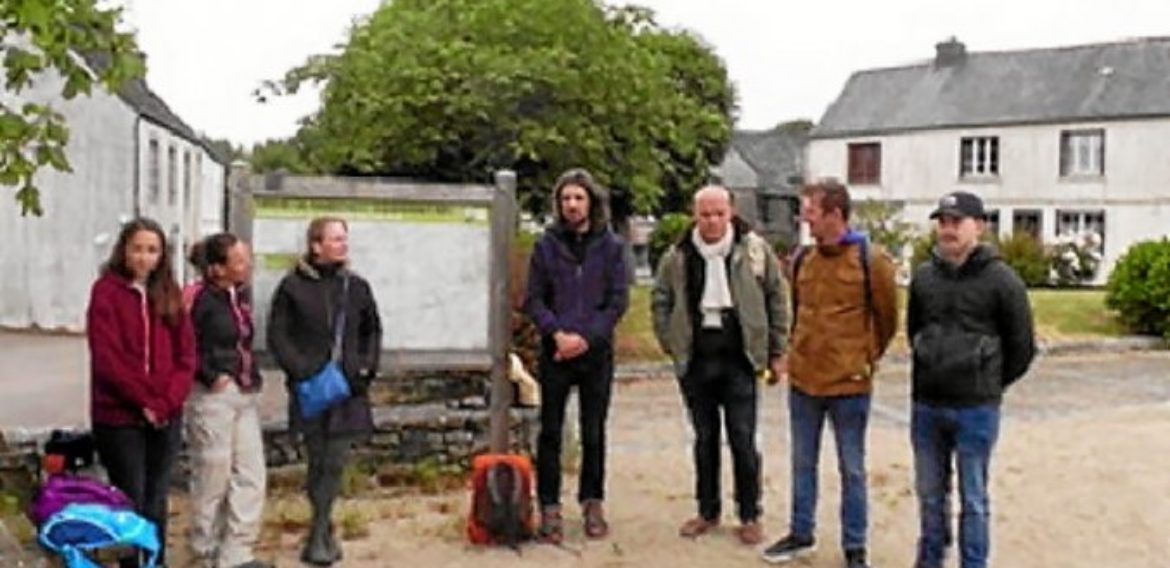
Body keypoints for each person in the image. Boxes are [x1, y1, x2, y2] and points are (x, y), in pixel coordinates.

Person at [762, 180, 898, 568]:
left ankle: (855, 546)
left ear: (835, 214)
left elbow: (887, 319)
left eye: (812, 212)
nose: (805, 219)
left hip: (849, 384)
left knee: (851, 467)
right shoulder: (803, 259)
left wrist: (865, 357)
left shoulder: (872, 260)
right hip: (805, 382)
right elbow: (798, 310)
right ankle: (800, 533)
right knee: (802, 462)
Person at [651, 185, 786, 546]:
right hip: (697, 359)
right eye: (704, 214)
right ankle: (707, 510)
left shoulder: (755, 251)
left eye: (718, 214)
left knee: (743, 438)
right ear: (695, 215)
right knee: (704, 438)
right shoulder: (678, 255)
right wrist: (671, 341)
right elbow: (660, 299)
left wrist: (776, 351)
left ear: (731, 213)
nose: (711, 221)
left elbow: (777, 298)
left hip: (739, 358)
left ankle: (750, 513)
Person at [906, 191, 1035, 568]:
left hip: (976, 410)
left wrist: (988, 381)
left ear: (978, 226)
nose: (948, 230)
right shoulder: (924, 278)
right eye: (942, 222)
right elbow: (914, 329)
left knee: (974, 498)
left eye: (956, 222)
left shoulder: (1003, 281)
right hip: (927, 405)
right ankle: (930, 559)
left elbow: (1021, 347)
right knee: (930, 495)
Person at [268, 217, 382, 566]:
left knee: (334, 462)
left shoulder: (357, 287)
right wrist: (303, 371)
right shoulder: (291, 287)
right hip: (311, 390)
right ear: (316, 245)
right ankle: (322, 530)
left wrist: (364, 370)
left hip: (348, 389)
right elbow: (279, 336)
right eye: (335, 239)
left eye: (344, 239)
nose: (342, 245)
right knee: (316, 462)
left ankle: (318, 534)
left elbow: (372, 330)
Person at [524, 168, 629, 543]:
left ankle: (592, 501)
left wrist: (588, 336)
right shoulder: (546, 245)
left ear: (591, 202)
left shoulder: (611, 246)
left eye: (578, 198)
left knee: (594, 431)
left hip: (595, 353)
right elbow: (533, 299)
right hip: (556, 352)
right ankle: (549, 507)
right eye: (566, 199)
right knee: (550, 431)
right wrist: (557, 333)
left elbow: (618, 300)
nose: (571, 205)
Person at [86, 217, 195, 567]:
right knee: (130, 495)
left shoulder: (169, 293)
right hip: (120, 415)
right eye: (138, 249)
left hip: (165, 413)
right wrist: (144, 401)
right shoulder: (106, 292)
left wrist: (166, 402)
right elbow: (108, 358)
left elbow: (186, 355)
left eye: (152, 250)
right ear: (124, 250)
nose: (144, 258)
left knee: (157, 496)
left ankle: (156, 560)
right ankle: (132, 562)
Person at [185, 234, 271, 568]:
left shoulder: (238, 296)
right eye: (239, 261)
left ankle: (237, 551)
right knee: (212, 476)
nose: (247, 266)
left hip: (242, 392)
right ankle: (204, 550)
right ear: (218, 269)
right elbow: (185, 345)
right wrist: (209, 374)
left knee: (250, 474)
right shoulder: (200, 300)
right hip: (213, 396)